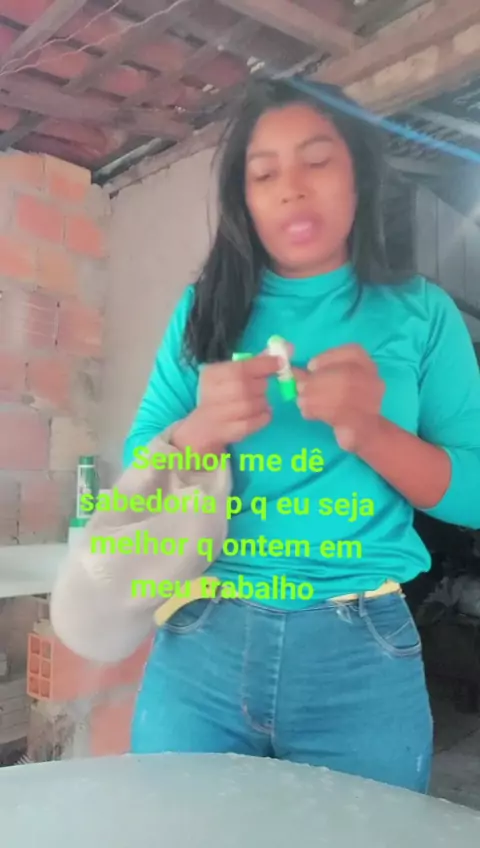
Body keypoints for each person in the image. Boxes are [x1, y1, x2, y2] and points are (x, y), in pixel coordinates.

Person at [124, 77, 480, 790]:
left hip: (363, 656)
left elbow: (472, 495)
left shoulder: (423, 314)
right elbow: (134, 480)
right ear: (244, 200)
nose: (291, 189)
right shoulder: (203, 310)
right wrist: (199, 430)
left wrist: (369, 430)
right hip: (202, 639)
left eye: (316, 161)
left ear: (359, 175)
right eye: (264, 174)